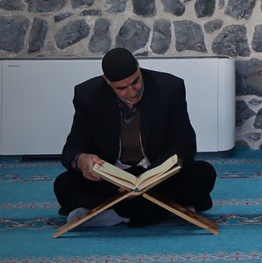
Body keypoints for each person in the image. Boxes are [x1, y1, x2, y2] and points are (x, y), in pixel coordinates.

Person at [54, 48, 217, 227]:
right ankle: (166, 210)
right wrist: (82, 160)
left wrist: (149, 179)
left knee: (204, 174)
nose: (132, 92)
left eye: (135, 82)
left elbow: (185, 146)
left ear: (139, 69)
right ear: (107, 81)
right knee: (63, 185)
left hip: (157, 175)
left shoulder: (169, 88)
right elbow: (72, 150)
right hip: (114, 181)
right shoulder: (88, 95)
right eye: (122, 88)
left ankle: (113, 214)